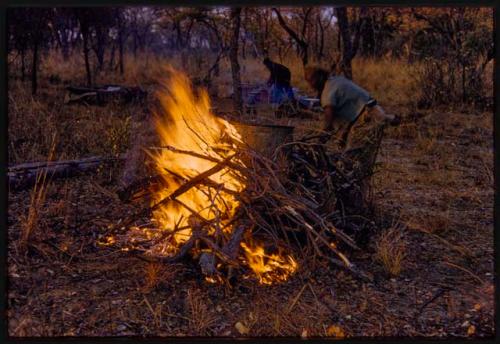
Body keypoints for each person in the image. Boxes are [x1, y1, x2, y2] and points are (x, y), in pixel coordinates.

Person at [304, 66, 399, 148]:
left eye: (311, 80)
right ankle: (394, 119)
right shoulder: (336, 80)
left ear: (319, 77)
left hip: (367, 115)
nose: (310, 85)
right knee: (383, 119)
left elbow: (328, 124)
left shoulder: (328, 93)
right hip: (371, 106)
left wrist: (319, 142)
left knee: (353, 152)